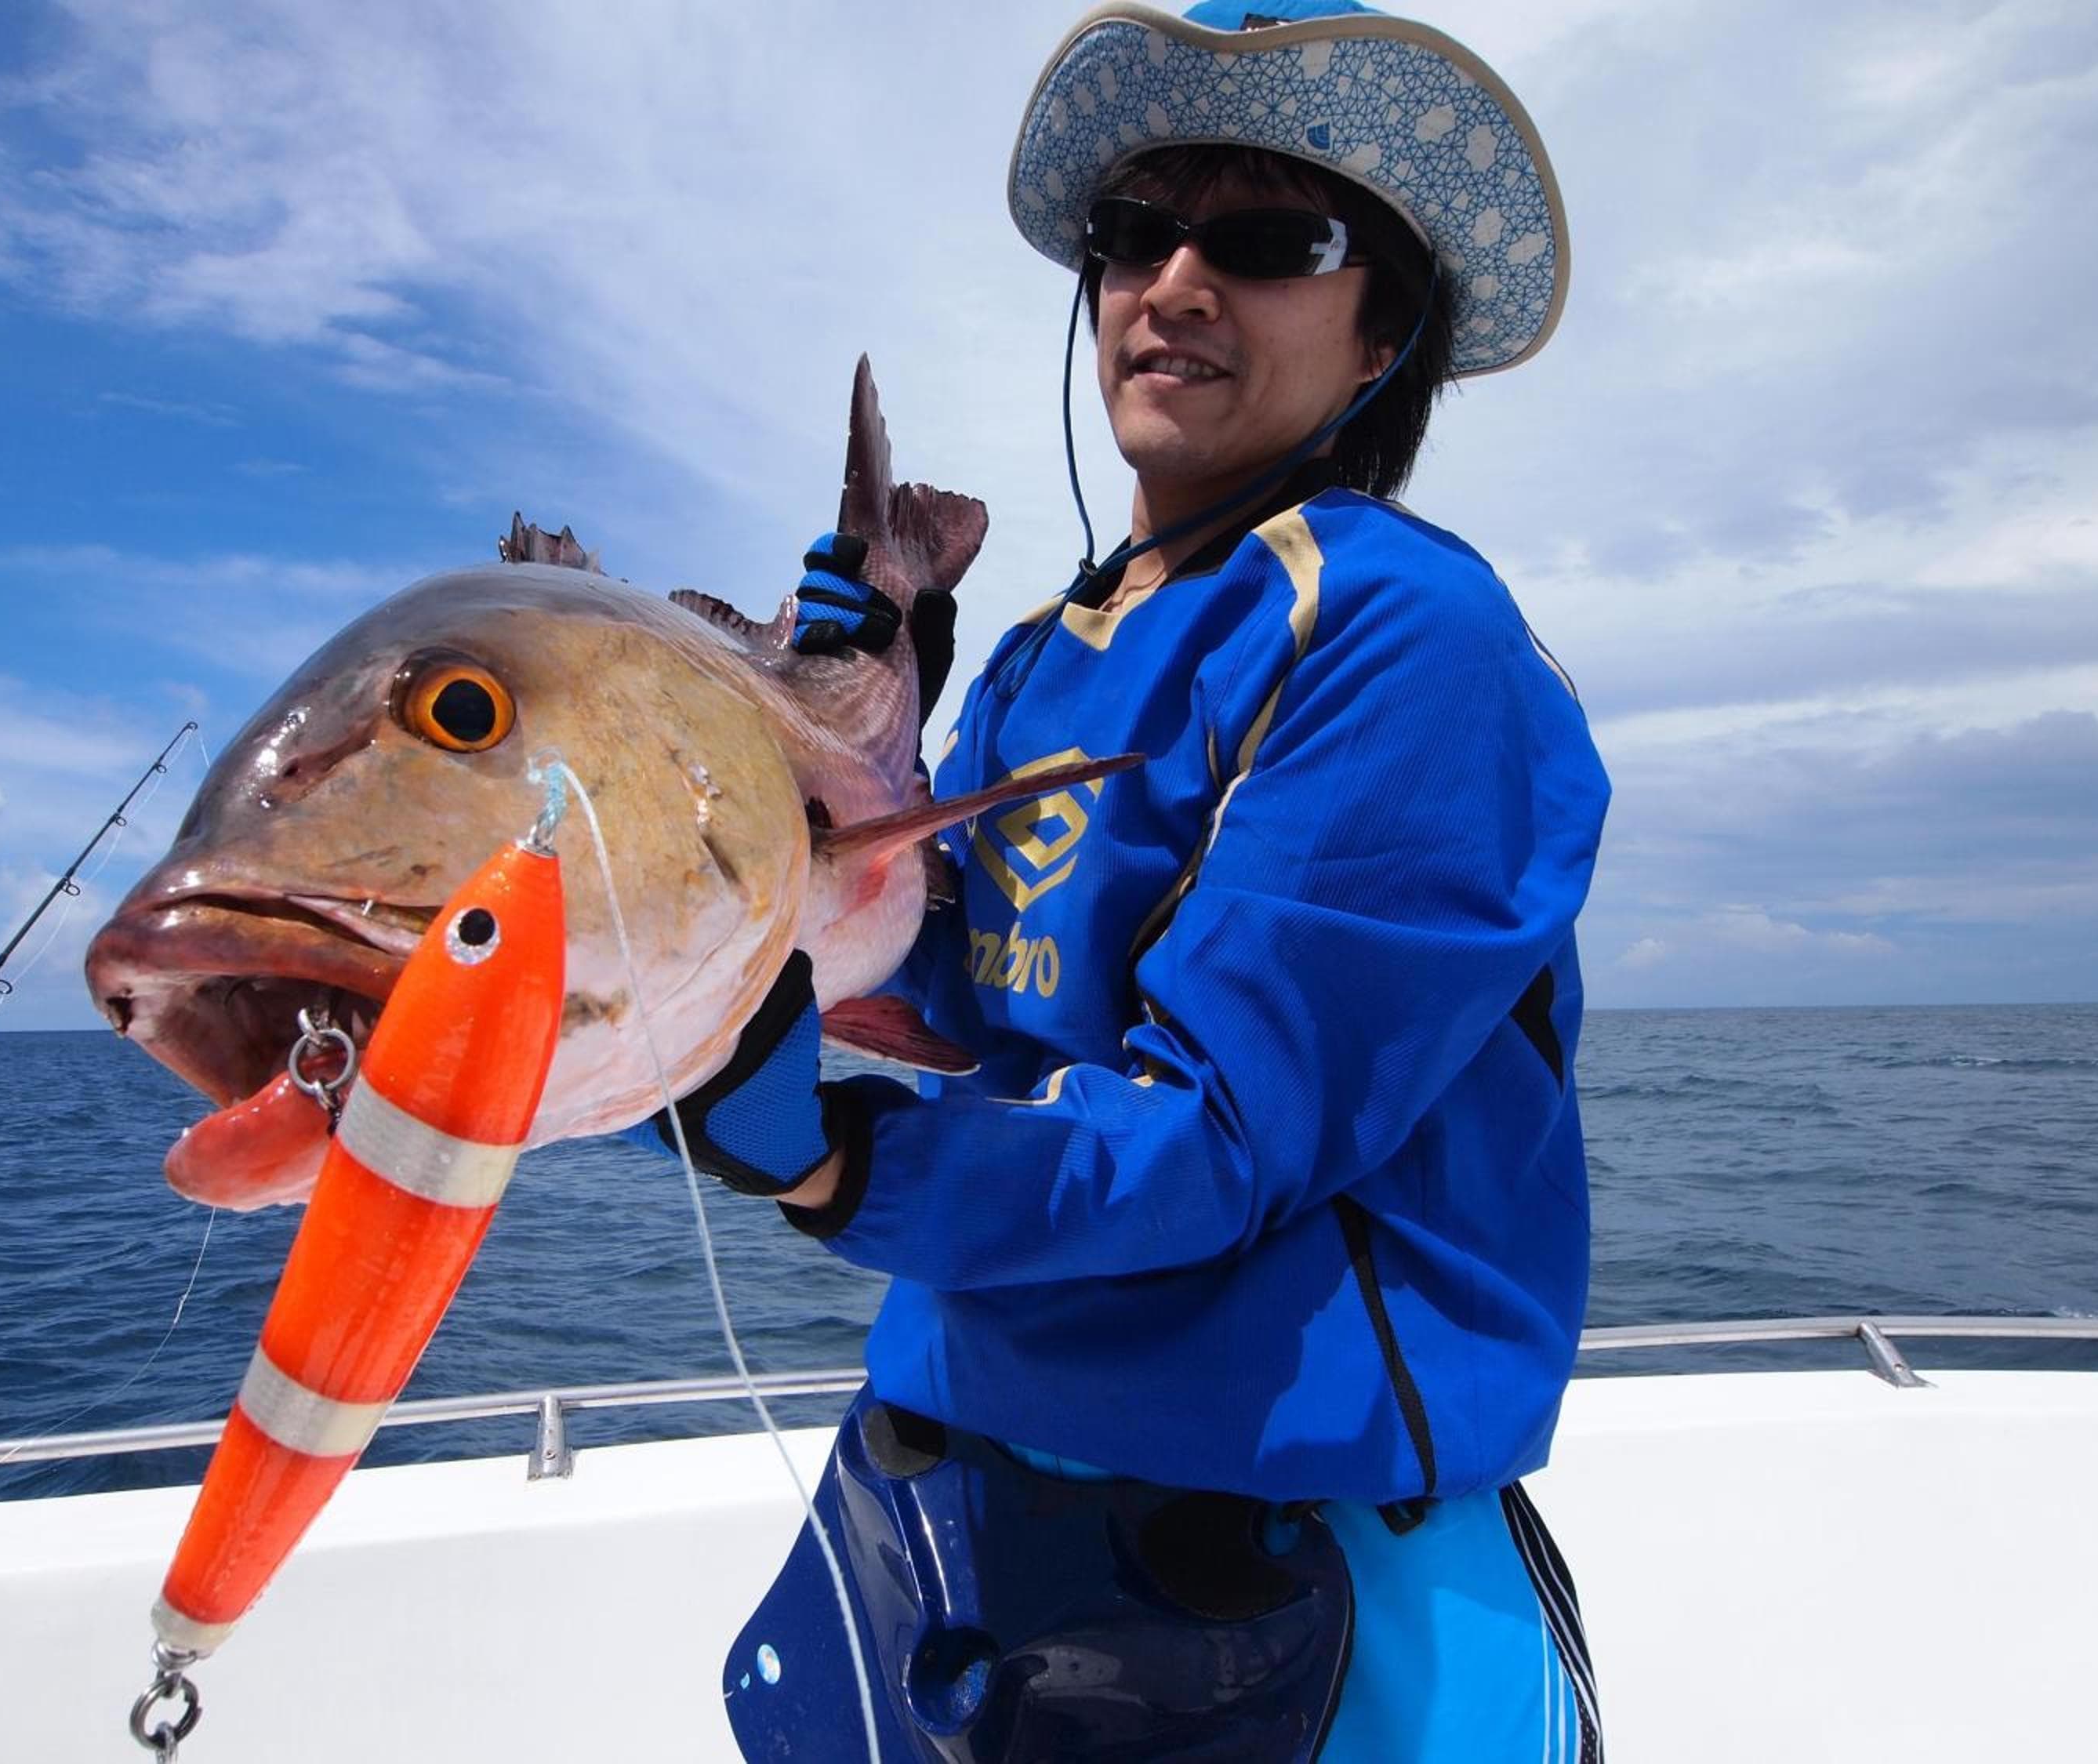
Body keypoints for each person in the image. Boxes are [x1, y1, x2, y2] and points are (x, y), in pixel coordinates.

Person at [623, 2, 1611, 1756]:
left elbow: (1221, 1133)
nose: (1173, 281)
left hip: (1278, 1567)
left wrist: (829, 1155)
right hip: (945, 1507)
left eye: (1268, 239)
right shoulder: (1021, 662)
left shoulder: (1403, 631)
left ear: (1383, 333)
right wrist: (727, 920)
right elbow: (933, 996)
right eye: (1131, 234)